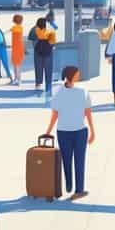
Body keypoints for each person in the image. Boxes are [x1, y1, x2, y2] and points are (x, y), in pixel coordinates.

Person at [45, 65, 95, 200]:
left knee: (69, 160)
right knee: (77, 161)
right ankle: (75, 188)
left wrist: (48, 131)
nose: (79, 76)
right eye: (77, 74)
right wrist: (92, 131)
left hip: (66, 132)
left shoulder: (60, 92)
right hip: (77, 132)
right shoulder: (81, 91)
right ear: (70, 76)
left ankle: (72, 187)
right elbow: (87, 113)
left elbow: (56, 114)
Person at [32, 17, 56, 99]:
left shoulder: (34, 30)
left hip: (38, 50)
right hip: (48, 51)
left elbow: (32, 40)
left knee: (38, 67)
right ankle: (48, 86)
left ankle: (38, 83)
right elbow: (53, 41)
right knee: (48, 68)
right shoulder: (50, 30)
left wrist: (36, 46)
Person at [9, 14, 25, 85]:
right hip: (18, 48)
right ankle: (16, 79)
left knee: (16, 65)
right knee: (16, 65)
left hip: (17, 48)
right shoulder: (19, 27)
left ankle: (18, 79)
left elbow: (13, 30)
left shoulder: (16, 28)